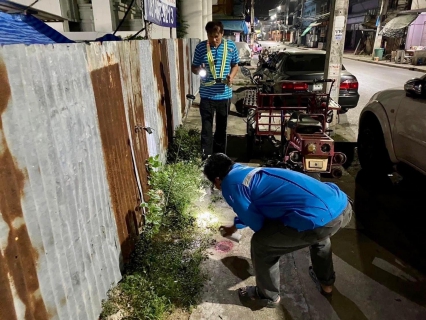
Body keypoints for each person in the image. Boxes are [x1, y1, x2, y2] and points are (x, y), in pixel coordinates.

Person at [203, 153, 353, 309]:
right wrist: (235, 226)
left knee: (262, 244)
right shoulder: (245, 171)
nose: (217, 187)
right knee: (319, 236)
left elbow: (257, 223)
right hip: (341, 206)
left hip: (320, 220)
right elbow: (253, 207)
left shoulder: (230, 185)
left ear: (218, 179)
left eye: (215, 184)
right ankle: (326, 284)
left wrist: (257, 229)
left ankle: (268, 296)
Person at [191, 21, 240, 160]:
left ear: (222, 34)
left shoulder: (230, 46)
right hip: (207, 96)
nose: (213, 39)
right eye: (210, 36)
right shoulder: (201, 47)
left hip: (224, 96)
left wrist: (231, 76)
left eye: (216, 36)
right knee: (206, 130)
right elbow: (193, 67)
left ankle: (220, 159)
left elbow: (235, 65)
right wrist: (199, 70)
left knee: (221, 130)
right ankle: (206, 158)